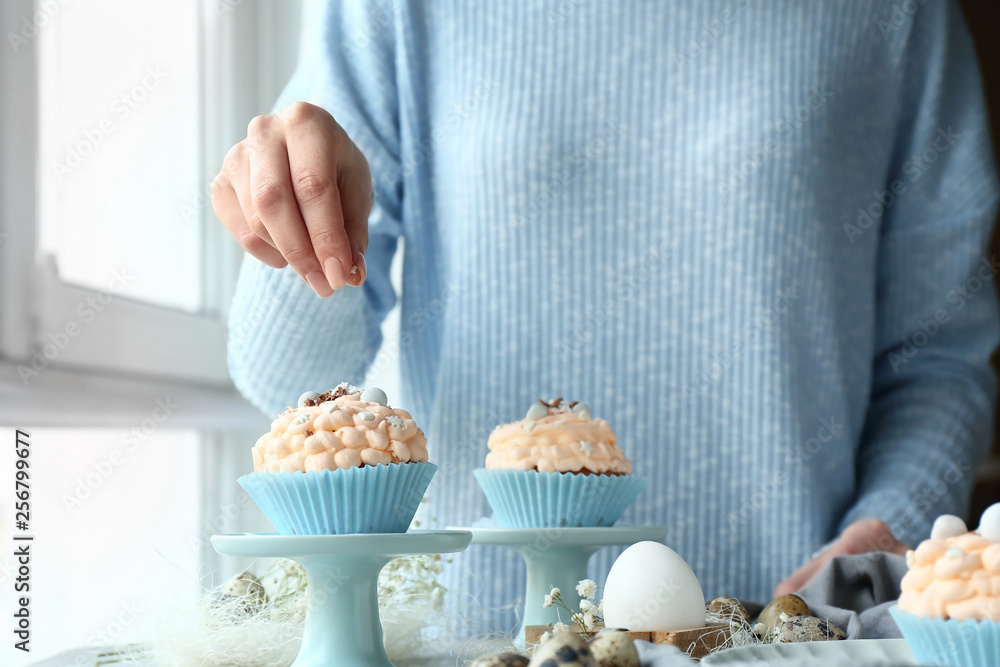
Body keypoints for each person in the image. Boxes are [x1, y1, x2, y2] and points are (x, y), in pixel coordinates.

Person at [215, 0, 999, 622]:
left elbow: (937, 358)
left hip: (787, 639)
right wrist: (299, 227)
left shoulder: (899, 15)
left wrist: (891, 530)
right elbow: (279, 375)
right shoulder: (398, 10)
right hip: (480, 641)